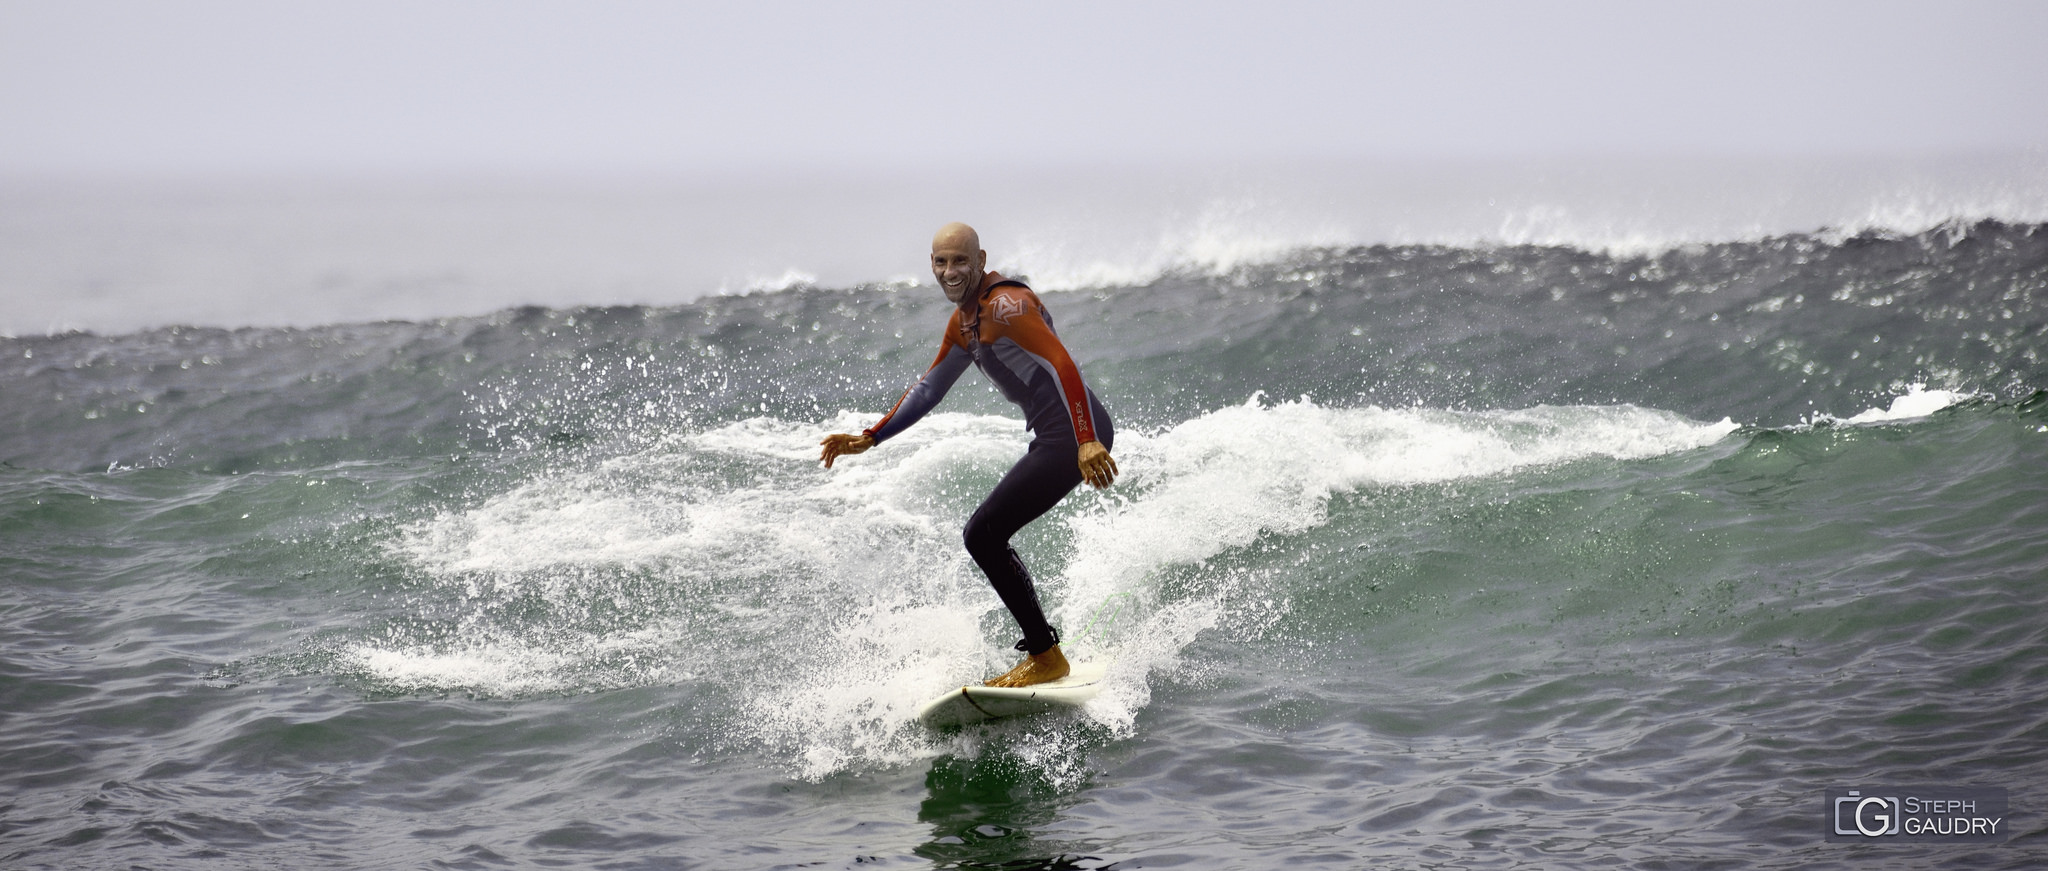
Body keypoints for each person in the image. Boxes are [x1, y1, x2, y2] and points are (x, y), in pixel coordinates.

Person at [819, 223, 1118, 688]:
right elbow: (929, 388)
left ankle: (1046, 656)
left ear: (981, 260)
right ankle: (1045, 652)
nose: (950, 270)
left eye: (960, 260)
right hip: (1059, 434)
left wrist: (1085, 439)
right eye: (941, 261)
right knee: (986, 534)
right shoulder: (965, 322)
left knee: (983, 533)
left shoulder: (1007, 306)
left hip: (1075, 432)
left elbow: (1063, 363)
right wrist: (871, 437)